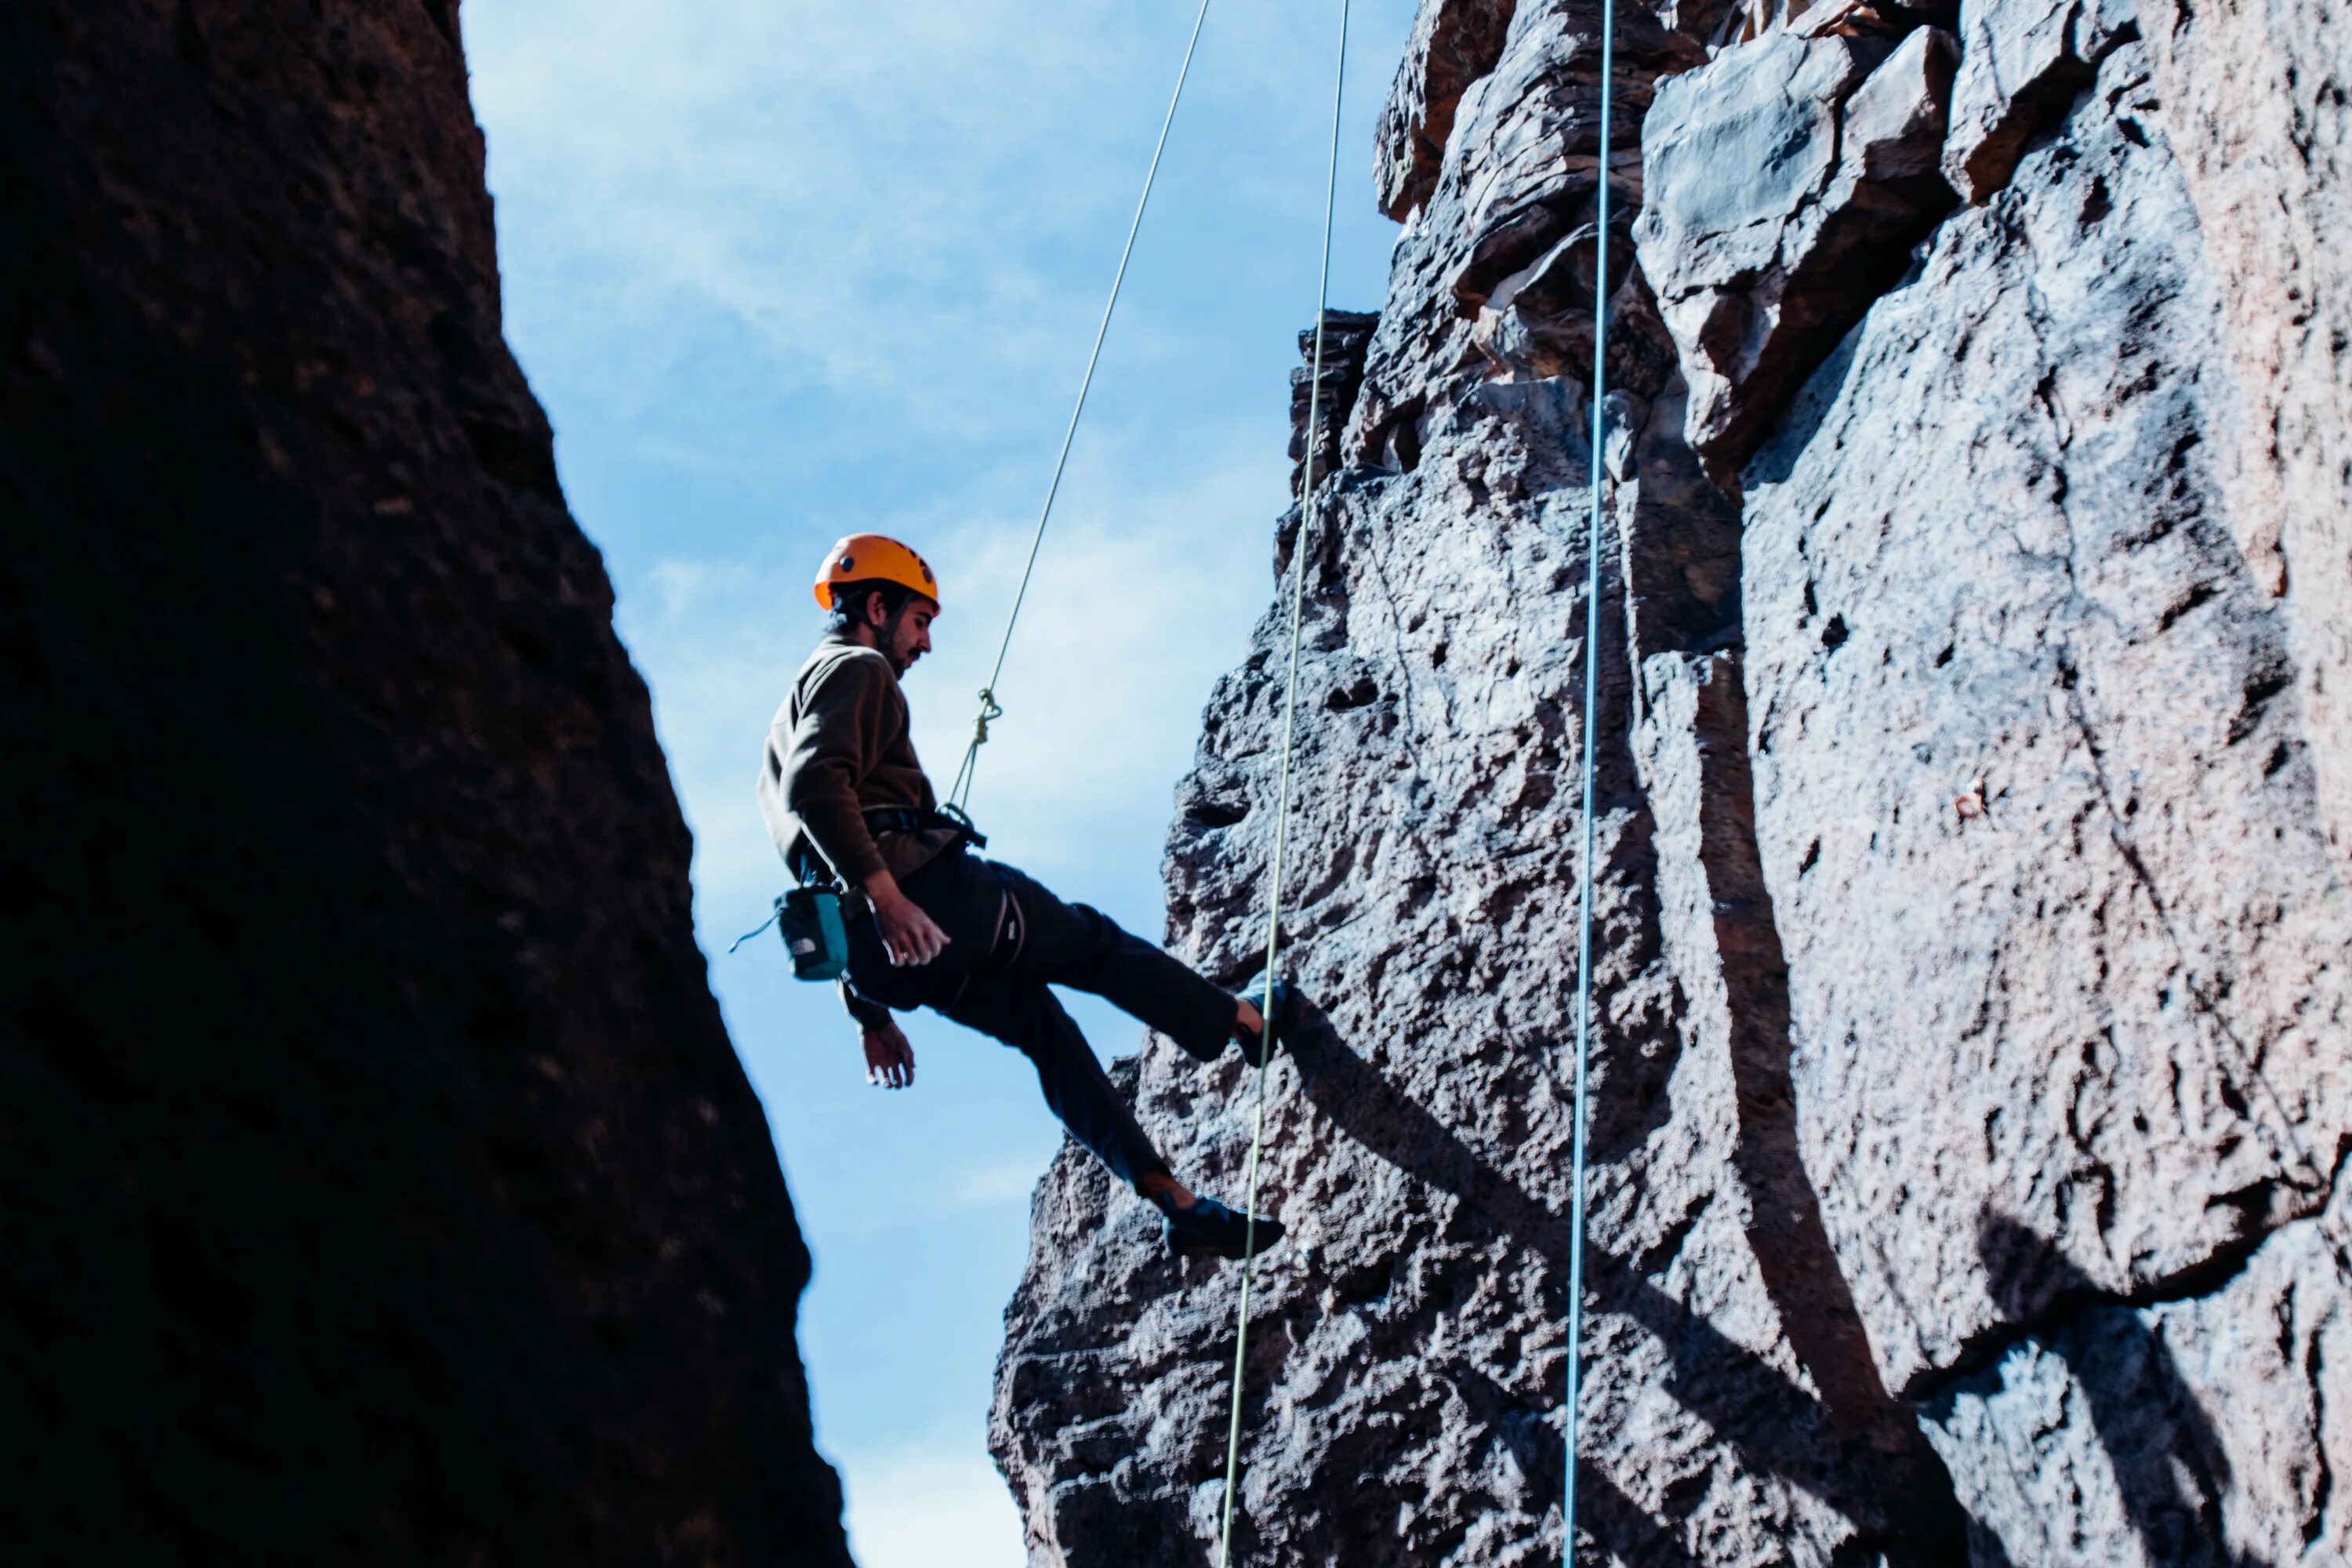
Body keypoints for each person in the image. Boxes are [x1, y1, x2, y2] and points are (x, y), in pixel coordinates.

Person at [757, 533, 1293, 1260]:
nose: (925, 645)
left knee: (1044, 1032)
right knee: (1091, 945)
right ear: (875, 606)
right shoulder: (857, 668)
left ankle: (1173, 1198)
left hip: (885, 959)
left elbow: (812, 856)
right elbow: (816, 786)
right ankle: (1245, 1021)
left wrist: (868, 1011)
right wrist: (891, 896)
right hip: (930, 902)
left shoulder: (783, 724)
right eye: (919, 621)